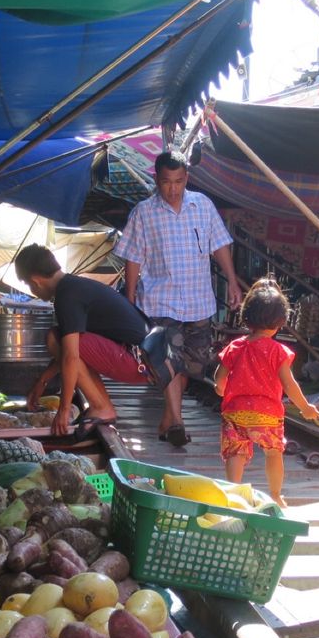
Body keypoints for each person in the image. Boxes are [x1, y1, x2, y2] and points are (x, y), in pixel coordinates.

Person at [114, 149, 242, 448]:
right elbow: (133, 257)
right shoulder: (143, 212)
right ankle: (178, 423)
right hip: (160, 300)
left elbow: (220, 245)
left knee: (191, 366)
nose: (173, 188)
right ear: (156, 179)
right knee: (168, 361)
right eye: (167, 182)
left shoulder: (203, 206)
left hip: (198, 300)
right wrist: (130, 299)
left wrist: (233, 282)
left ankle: (167, 419)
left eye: (179, 181)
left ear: (187, 179)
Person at [15, 244, 151, 439]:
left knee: (56, 339)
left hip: (138, 361)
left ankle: (101, 407)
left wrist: (63, 409)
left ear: (35, 281)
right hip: (140, 358)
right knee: (62, 339)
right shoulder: (72, 286)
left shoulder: (67, 296)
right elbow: (69, 355)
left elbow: (70, 357)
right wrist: (42, 381)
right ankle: (102, 405)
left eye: (28, 285)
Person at [215, 280, 319, 505]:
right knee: (274, 453)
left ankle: (233, 493)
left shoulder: (235, 347)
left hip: (236, 412)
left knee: (236, 453)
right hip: (268, 415)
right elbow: (289, 383)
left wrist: (223, 391)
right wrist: (305, 407)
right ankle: (275, 494)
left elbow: (219, 380)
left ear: (247, 317)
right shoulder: (278, 351)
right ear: (281, 321)